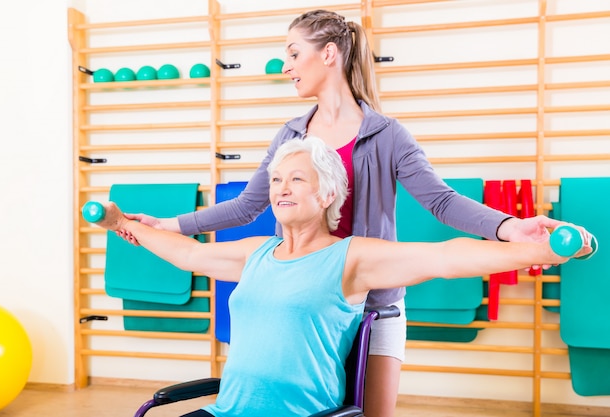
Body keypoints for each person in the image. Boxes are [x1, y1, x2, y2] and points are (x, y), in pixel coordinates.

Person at [116, 10, 564, 417]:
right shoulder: (290, 135)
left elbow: (441, 202)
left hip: (373, 304)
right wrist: (170, 225)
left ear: (329, 54)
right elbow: (248, 204)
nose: (286, 66)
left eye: (293, 53)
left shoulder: (387, 135)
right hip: (301, 301)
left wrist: (510, 228)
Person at [96, 137, 591, 417]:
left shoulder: (352, 258)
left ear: (328, 193)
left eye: (296, 179)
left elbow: (446, 256)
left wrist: (540, 247)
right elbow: (186, 254)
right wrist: (120, 223)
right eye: (274, 181)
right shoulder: (257, 253)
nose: (281, 189)